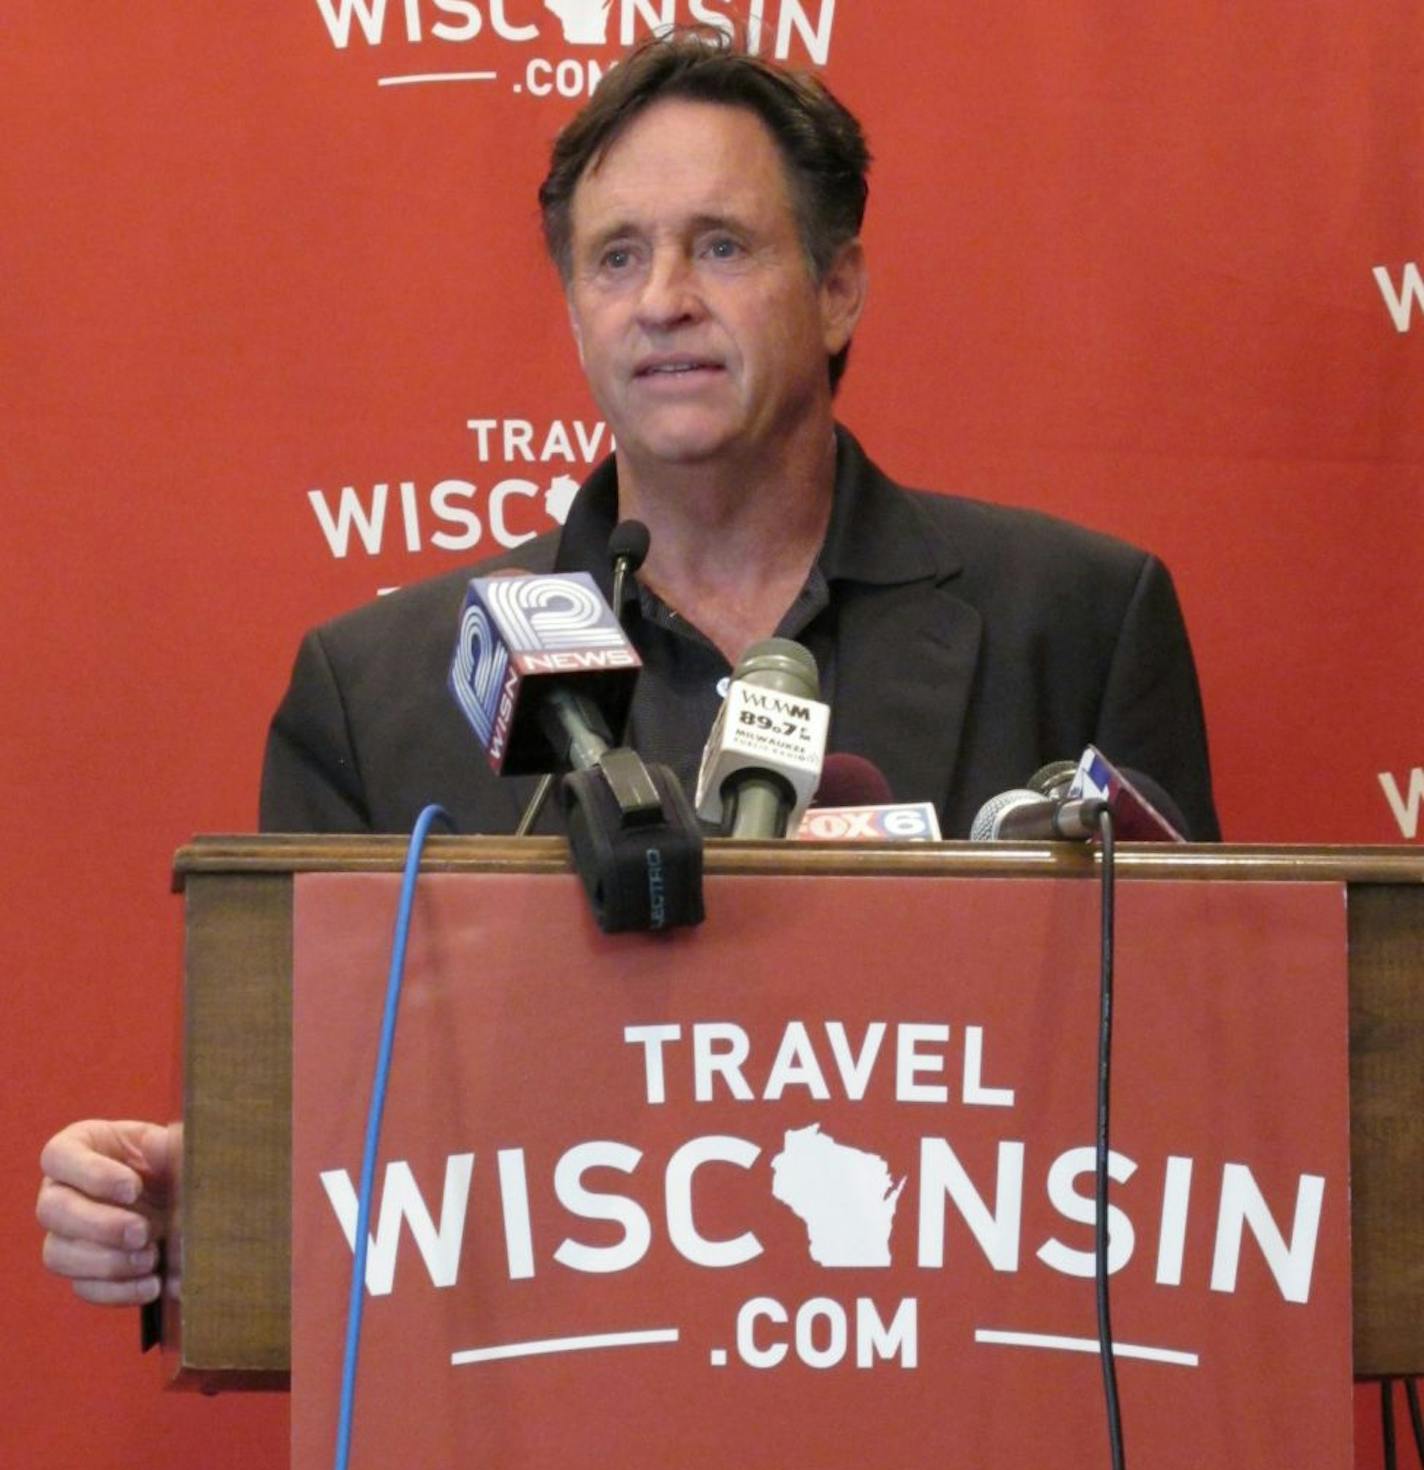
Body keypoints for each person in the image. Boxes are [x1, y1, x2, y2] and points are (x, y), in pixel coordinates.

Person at [36, 29, 1218, 1311]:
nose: (662, 298)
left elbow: (1197, 1103)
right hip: (551, 1395)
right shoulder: (378, 688)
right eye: (616, 257)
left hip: (966, 1382)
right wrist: (207, 1212)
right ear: (575, 310)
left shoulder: (1078, 622)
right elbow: (322, 1135)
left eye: (720, 244)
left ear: (838, 290)